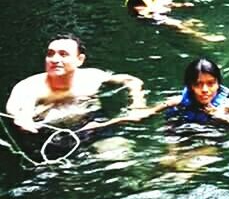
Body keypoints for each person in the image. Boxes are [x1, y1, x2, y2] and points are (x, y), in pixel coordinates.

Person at [4, 33, 146, 133]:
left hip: (93, 122)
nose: (55, 59)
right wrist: (23, 119)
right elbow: (19, 108)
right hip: (50, 132)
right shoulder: (31, 86)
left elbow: (131, 80)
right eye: (50, 54)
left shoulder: (92, 77)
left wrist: (137, 104)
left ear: (80, 60)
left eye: (63, 54)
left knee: (119, 154)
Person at [125, 0, 225, 42]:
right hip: (149, 18)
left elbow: (168, 3)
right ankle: (201, 37)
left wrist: (182, 5)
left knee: (194, 21)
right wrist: (155, 12)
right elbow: (143, 13)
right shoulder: (140, 1)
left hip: (158, 14)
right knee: (176, 23)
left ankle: (198, 33)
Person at [164, 58, 229, 125]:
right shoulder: (184, 99)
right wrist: (152, 111)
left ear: (218, 84)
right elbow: (167, 103)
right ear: (190, 86)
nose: (205, 90)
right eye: (198, 84)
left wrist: (220, 115)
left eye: (210, 83)